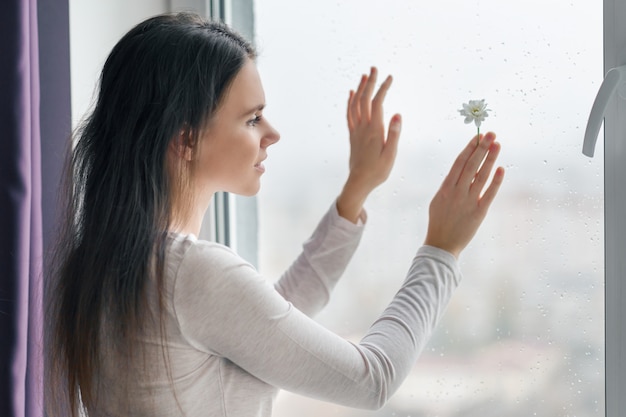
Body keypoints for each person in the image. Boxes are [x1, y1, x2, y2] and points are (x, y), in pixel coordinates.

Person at [45, 12, 504, 417]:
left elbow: (265, 327)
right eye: (252, 119)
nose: (273, 133)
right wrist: (441, 251)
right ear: (185, 139)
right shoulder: (189, 272)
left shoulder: (100, 262)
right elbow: (373, 379)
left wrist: (357, 188)